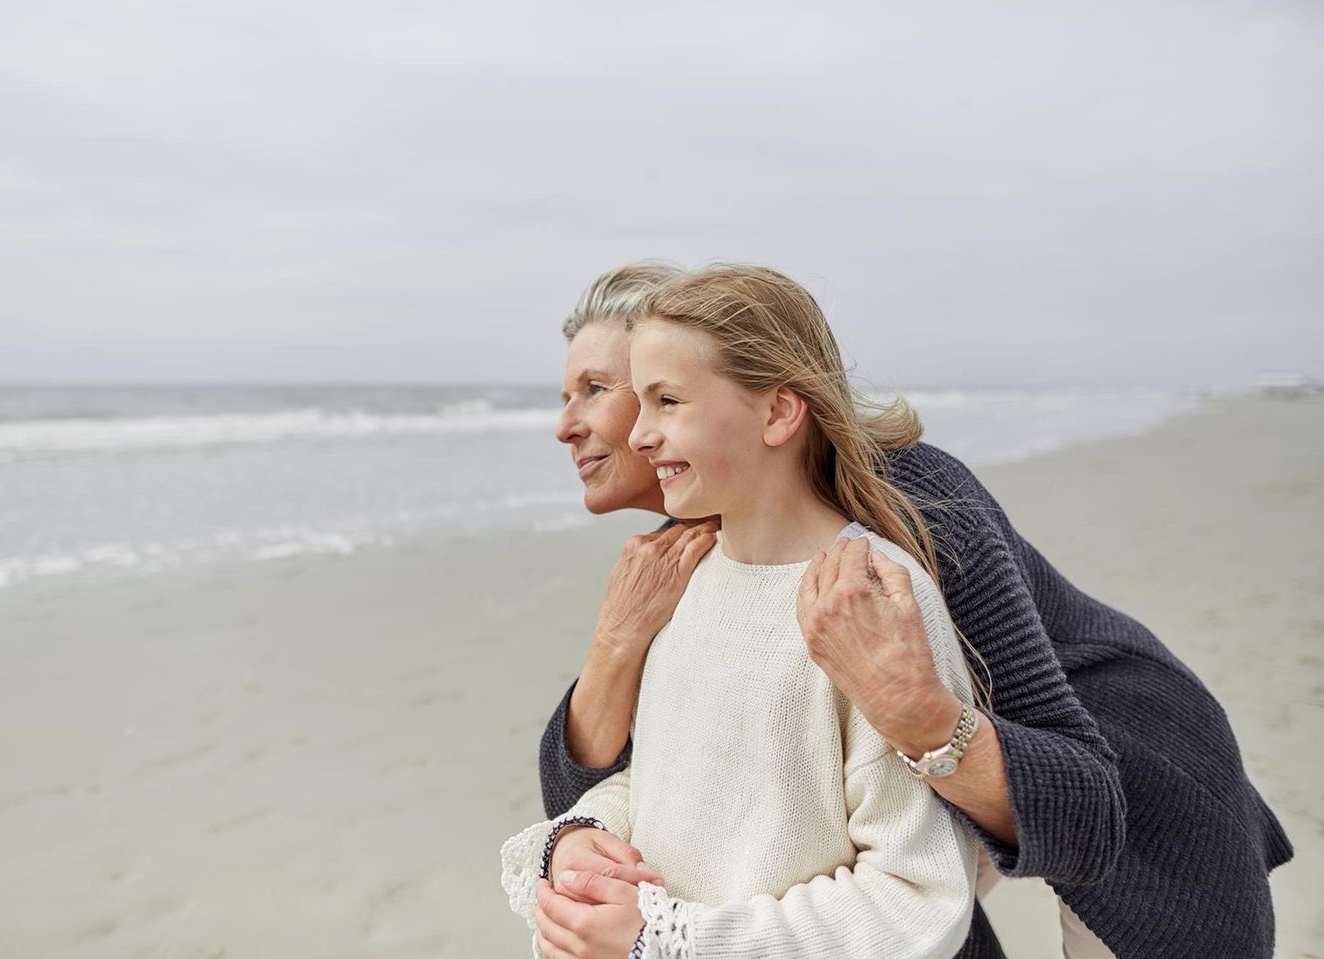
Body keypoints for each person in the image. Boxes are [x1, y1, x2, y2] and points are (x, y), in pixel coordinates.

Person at [533, 262, 1292, 958]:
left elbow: (1086, 811)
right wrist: (614, 644)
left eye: (600, 387)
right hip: (948, 797)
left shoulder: (911, 500)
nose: (570, 423)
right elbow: (641, 798)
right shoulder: (695, 553)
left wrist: (916, 711)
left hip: (1131, 789)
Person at [502, 263, 980, 957]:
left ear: (780, 412)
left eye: (667, 400)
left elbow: (915, 894)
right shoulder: (688, 575)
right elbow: (671, 777)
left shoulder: (873, 596)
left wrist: (670, 940)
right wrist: (583, 839)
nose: (639, 435)